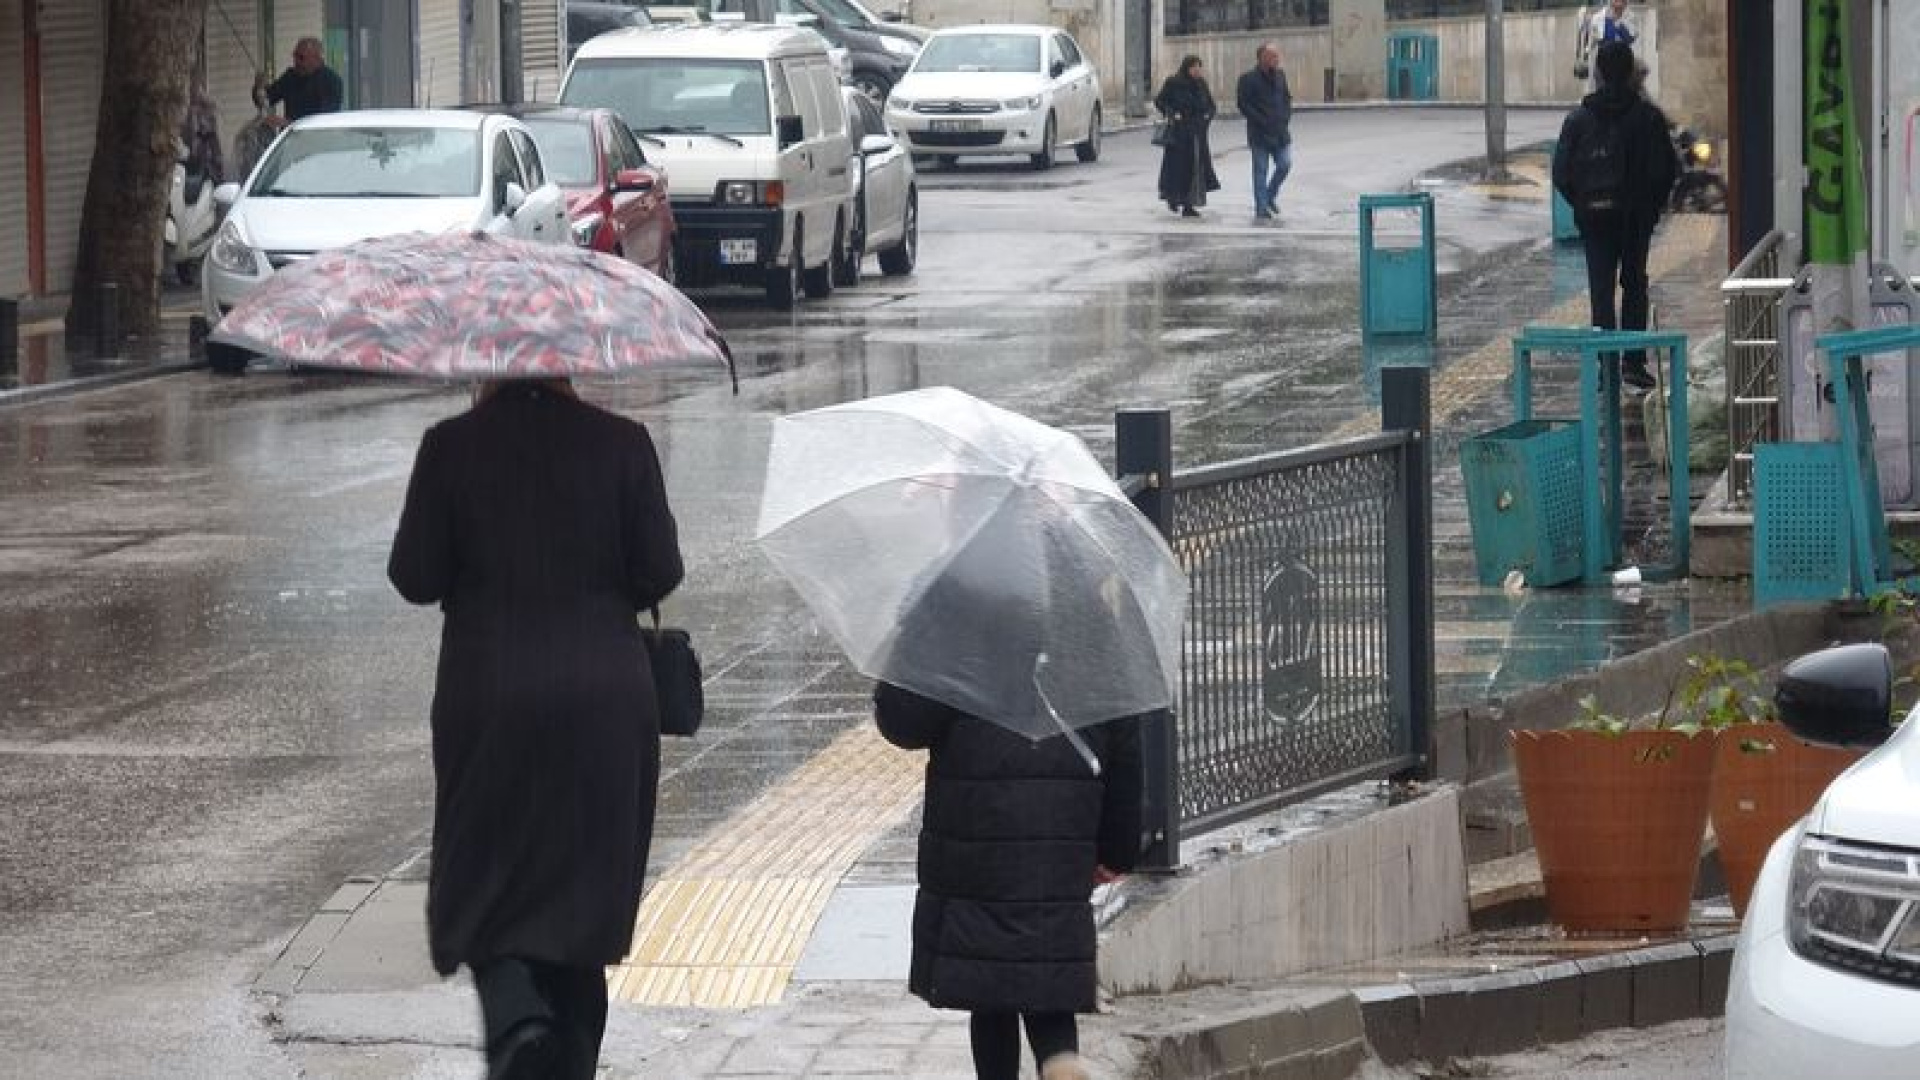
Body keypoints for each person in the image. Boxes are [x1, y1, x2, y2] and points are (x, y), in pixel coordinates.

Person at [388, 377, 684, 1080]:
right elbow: (659, 571)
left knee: (488, 888)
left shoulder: (451, 447)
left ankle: (520, 1021)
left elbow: (416, 575)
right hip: (603, 709)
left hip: (490, 703)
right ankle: (569, 1056)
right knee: (583, 901)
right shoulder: (622, 444)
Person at [1552, 40, 1677, 391]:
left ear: (1600, 72)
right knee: (1635, 284)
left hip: (1595, 219)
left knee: (1601, 290)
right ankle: (1633, 364)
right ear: (1630, 71)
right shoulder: (1648, 118)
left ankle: (1606, 366)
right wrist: (1652, 207)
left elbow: (1561, 173)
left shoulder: (1578, 119)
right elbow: (1667, 170)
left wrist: (1581, 203)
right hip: (1636, 219)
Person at [1154, 55, 1220, 218]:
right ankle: (1173, 198)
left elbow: (1211, 105)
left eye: (1199, 66)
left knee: (1196, 169)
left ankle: (1189, 204)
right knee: (1178, 170)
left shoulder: (1201, 84)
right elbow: (1160, 101)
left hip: (1198, 133)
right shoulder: (1174, 83)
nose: (1197, 70)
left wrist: (1207, 117)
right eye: (1193, 67)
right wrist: (1172, 114)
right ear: (1186, 68)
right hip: (1179, 135)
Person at [1235, 42, 1292, 221]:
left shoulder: (1281, 76)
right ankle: (1261, 208)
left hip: (1280, 132)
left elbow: (1286, 98)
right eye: (1273, 56)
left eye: (1277, 55)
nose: (1277, 59)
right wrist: (1260, 120)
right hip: (1259, 133)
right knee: (1260, 170)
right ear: (1262, 58)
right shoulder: (1247, 79)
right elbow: (1243, 104)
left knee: (1284, 164)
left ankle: (1269, 195)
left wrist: (1285, 117)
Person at [254, 37, 343, 128]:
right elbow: (267, 99)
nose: (296, 61)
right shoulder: (290, 77)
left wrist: (288, 123)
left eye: (301, 57)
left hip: (317, 139)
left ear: (317, 58)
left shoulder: (331, 81)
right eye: (295, 56)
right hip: (291, 138)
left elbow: (325, 120)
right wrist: (259, 87)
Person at [1579, 0, 1638, 92]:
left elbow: (1631, 38)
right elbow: (1594, 40)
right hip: (1603, 63)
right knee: (1601, 89)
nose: (1619, 2)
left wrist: (1618, 23)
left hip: (1623, 62)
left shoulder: (1631, 17)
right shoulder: (1598, 18)